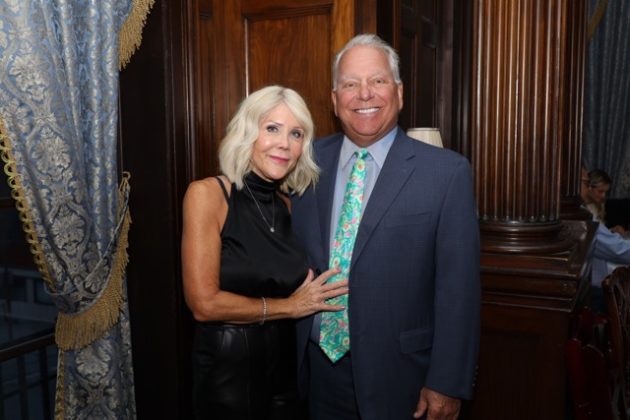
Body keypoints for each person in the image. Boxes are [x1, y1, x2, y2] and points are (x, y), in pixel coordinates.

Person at [291, 34, 481, 420]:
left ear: (399, 92)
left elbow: (459, 288)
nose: (364, 94)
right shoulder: (304, 163)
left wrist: (447, 382)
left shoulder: (445, 173)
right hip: (314, 374)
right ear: (334, 100)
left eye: (377, 81)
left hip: (403, 378)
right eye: (350, 84)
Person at [181, 85, 348, 420]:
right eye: (272, 128)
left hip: (288, 372)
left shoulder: (291, 205)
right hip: (228, 372)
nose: (284, 143)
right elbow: (204, 304)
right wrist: (289, 307)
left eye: (296, 133)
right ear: (247, 132)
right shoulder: (208, 195)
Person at [580, 167, 630, 311]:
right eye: (586, 183)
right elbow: (617, 250)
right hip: (592, 286)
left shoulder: (583, 212)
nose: (588, 188)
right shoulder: (581, 217)